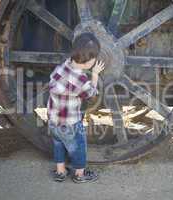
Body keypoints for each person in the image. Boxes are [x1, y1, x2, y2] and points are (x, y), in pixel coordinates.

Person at [47, 32, 105, 183]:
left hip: (53, 120)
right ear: (89, 62)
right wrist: (95, 75)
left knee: (58, 144)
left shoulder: (62, 66)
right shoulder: (80, 79)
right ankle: (79, 174)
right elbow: (91, 93)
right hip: (71, 123)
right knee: (78, 147)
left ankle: (60, 172)